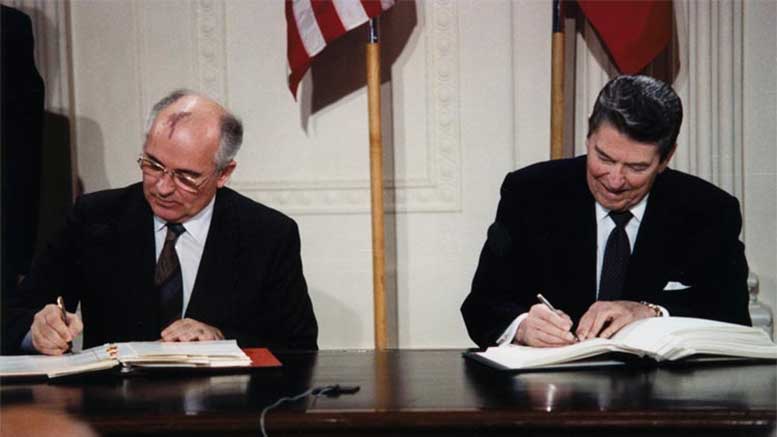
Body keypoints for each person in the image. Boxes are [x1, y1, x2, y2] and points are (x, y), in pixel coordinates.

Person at [2, 90, 318, 355]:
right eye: (153, 165)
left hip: (224, 406)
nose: (163, 188)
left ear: (224, 173)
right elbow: (14, 316)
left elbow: (298, 348)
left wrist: (221, 340)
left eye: (186, 176)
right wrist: (36, 331)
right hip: (113, 406)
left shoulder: (268, 234)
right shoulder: (94, 217)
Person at [461, 75, 751, 349]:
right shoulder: (530, 192)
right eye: (604, 158)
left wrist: (651, 312)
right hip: (553, 382)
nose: (614, 181)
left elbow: (732, 313)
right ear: (589, 137)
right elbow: (482, 304)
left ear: (666, 159)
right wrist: (522, 327)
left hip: (659, 384)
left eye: (636, 167)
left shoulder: (709, 210)